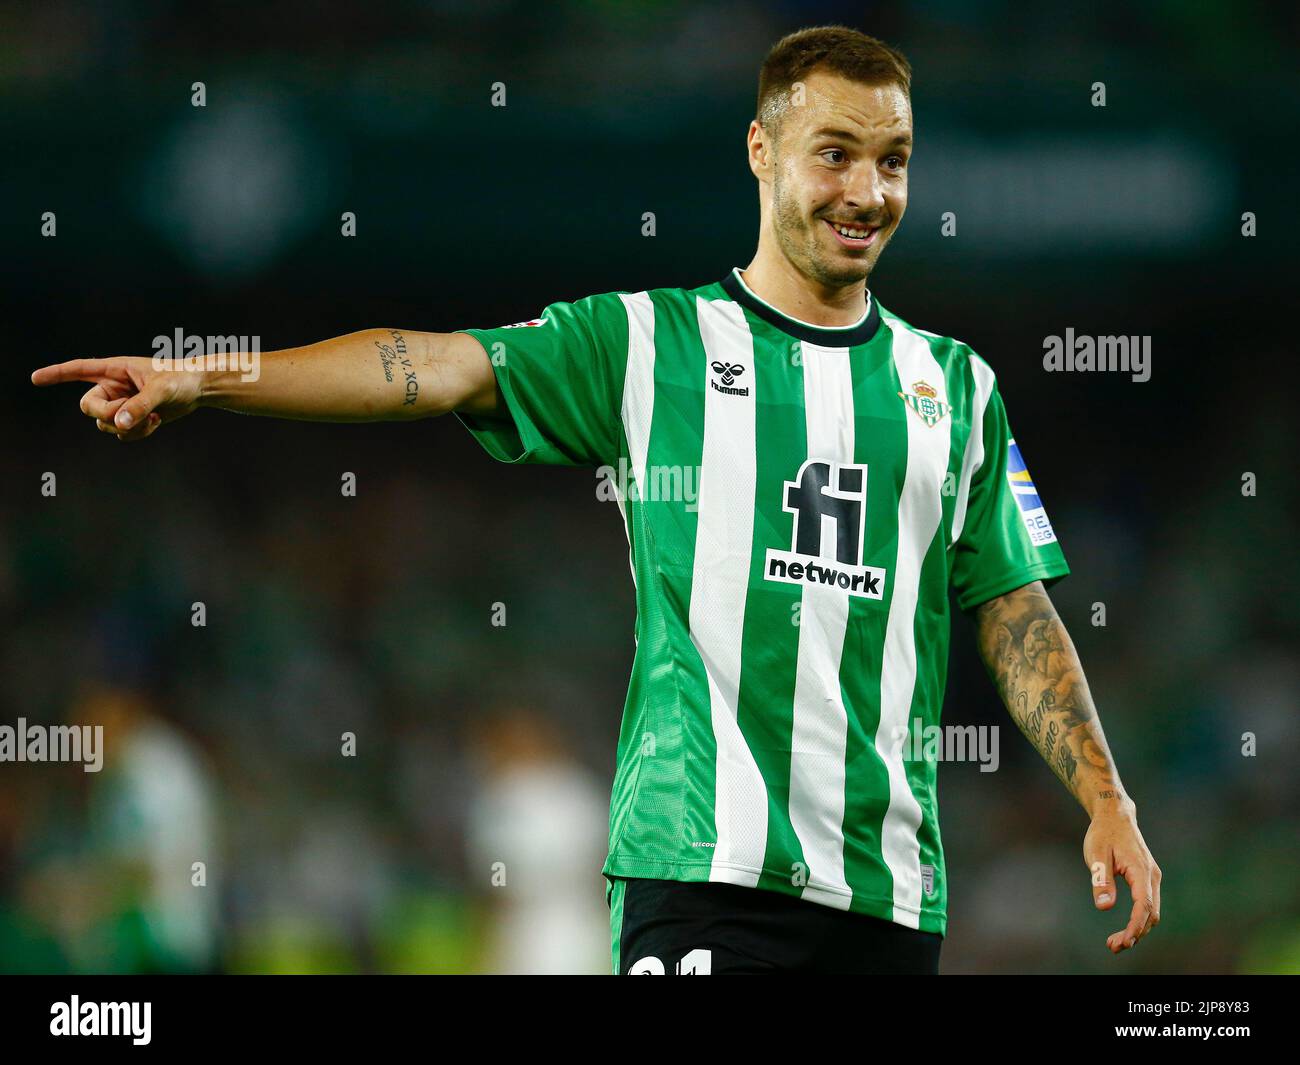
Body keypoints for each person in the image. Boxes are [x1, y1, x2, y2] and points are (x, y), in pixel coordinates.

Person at [32, 25, 1160, 974]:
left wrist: (1105, 797)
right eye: (835, 155)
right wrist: (208, 375)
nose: (868, 191)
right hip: (698, 873)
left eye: (895, 160)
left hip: (888, 900)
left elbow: (1012, 605)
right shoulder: (646, 342)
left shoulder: (957, 390)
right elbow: (430, 365)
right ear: (762, 153)